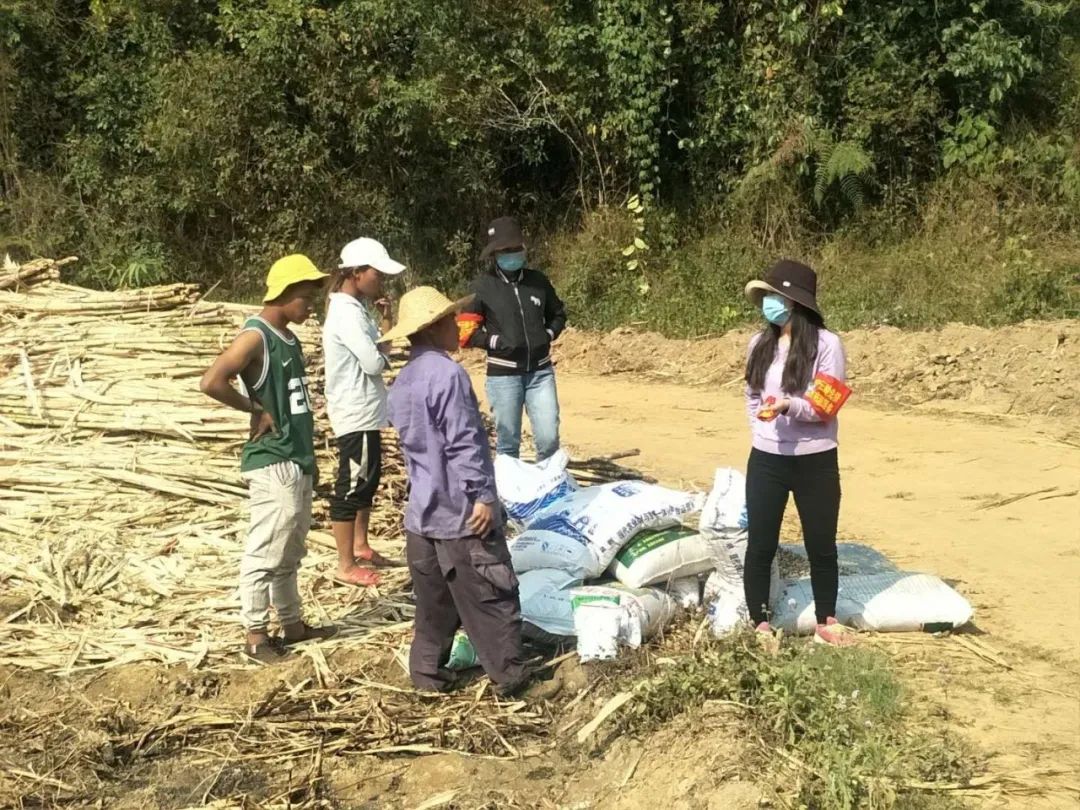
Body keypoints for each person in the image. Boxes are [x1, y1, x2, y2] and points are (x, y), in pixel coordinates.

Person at [385, 286, 530, 695]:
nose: (458, 326)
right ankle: (512, 679)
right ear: (432, 328)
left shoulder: (404, 380)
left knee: (435, 604)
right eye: (451, 320)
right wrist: (483, 495)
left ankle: (427, 675)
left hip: (422, 517)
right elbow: (464, 441)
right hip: (460, 513)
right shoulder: (447, 375)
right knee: (491, 597)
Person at [200, 254, 337, 663]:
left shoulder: (288, 337)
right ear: (283, 295)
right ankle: (256, 634)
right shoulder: (256, 335)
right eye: (305, 297)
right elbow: (211, 381)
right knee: (265, 549)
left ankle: (293, 624)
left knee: (290, 547)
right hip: (272, 458)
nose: (310, 305)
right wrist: (252, 408)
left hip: (296, 455)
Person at [742, 260, 855, 647]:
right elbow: (752, 393)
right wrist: (760, 426)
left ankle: (827, 617)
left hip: (816, 460)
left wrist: (790, 406)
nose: (768, 304)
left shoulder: (827, 345)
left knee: (821, 544)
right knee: (760, 544)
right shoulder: (760, 344)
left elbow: (826, 403)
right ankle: (759, 622)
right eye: (766, 296)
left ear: (794, 301)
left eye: (774, 296)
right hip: (767, 460)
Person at [323, 237, 406, 587]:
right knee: (352, 484)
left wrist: (386, 320)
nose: (382, 281)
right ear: (357, 273)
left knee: (367, 480)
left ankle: (361, 544)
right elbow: (374, 362)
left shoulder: (359, 311)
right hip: (355, 412)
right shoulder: (345, 313)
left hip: (367, 411)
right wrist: (384, 353)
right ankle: (345, 563)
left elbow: (384, 345)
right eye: (377, 273)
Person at [462, 216, 567, 461]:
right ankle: (509, 496)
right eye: (505, 251)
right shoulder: (481, 287)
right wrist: (496, 342)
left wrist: (548, 335)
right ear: (495, 254)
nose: (512, 254)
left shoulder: (538, 281)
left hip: (541, 373)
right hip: (503, 376)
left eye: (516, 249)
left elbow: (558, 314)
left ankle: (549, 493)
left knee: (549, 439)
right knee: (508, 444)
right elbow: (465, 332)